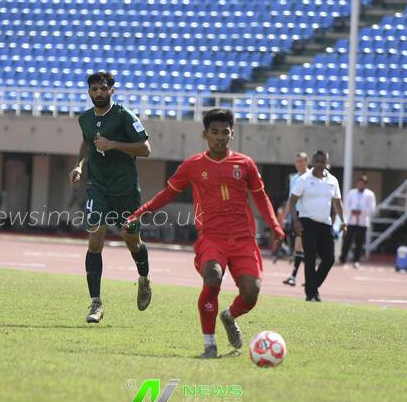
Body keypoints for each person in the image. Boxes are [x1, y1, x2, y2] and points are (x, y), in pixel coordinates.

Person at [125, 108, 285, 359]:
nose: (220, 137)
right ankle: (209, 345)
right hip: (212, 237)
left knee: (251, 293)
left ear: (232, 134)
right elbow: (168, 193)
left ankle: (229, 316)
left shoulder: (245, 164)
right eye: (214, 132)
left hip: (243, 239)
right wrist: (140, 212)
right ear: (205, 134)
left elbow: (260, 196)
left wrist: (274, 225)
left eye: (225, 132)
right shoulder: (193, 165)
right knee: (212, 276)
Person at [69, 71, 153, 323]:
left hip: (125, 190)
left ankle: (144, 278)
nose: (99, 93)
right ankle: (96, 304)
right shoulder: (84, 119)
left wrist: (113, 144)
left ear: (112, 91)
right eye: (94, 89)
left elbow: (146, 148)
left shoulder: (124, 116)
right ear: (89, 92)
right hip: (97, 187)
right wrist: (80, 165)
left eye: (103, 89)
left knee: (132, 242)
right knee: (95, 241)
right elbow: (86, 142)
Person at [287, 150, 347, 302]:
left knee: (329, 258)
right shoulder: (304, 179)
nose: (320, 164)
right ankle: (311, 294)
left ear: (327, 163)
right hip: (307, 222)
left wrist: (343, 221)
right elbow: (292, 201)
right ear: (313, 162)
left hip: (325, 224)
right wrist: (296, 221)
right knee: (311, 257)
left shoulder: (333, 180)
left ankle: (312, 286)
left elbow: (337, 202)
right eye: (318, 161)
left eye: (323, 161)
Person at [283, 151, 309, 286]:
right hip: (296, 215)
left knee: (302, 245)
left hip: (308, 215)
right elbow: (290, 199)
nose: (299, 164)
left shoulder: (312, 177)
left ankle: (294, 276)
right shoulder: (294, 178)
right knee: (299, 246)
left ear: (307, 162)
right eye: (297, 161)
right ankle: (305, 277)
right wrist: (285, 217)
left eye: (302, 161)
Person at [340, 175, 376, 268]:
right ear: (357, 183)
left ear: (365, 184)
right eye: (359, 182)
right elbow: (346, 205)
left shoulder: (370, 194)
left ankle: (356, 260)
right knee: (347, 240)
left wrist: (361, 211)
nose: (361, 184)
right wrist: (353, 210)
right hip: (351, 221)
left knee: (359, 242)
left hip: (362, 222)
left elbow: (372, 209)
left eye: (363, 183)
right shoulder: (351, 193)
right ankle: (342, 258)